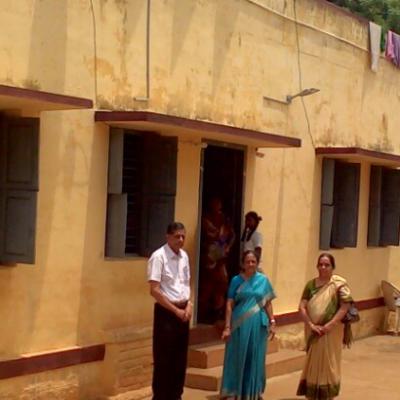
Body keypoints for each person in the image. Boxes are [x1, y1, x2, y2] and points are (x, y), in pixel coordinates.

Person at [220, 250, 276, 400]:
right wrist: (227, 327)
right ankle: (233, 390)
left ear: (257, 263)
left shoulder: (263, 280)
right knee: (237, 356)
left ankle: (253, 391)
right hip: (239, 324)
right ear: (243, 264)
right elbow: (229, 304)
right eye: (247, 262)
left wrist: (272, 321)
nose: (250, 264)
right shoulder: (236, 281)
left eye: (253, 261)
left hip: (258, 325)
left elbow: (268, 303)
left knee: (255, 356)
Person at [297, 253, 353, 400]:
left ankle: (327, 395)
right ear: (317, 266)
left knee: (329, 363)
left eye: (326, 265)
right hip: (313, 331)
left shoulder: (338, 284)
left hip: (331, 332)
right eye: (320, 264)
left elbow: (345, 306)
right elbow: (302, 307)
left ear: (332, 267)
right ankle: (312, 394)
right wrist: (310, 324)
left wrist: (329, 325)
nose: (323, 267)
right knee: (313, 363)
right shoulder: (310, 285)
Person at [148, 222, 192, 400]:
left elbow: (188, 284)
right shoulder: (158, 257)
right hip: (167, 312)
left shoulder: (185, 257)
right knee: (164, 358)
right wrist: (175, 310)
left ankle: (176, 395)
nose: (180, 240)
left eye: (183, 236)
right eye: (177, 236)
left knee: (180, 359)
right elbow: (154, 290)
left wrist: (189, 305)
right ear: (168, 237)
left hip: (183, 311)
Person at [199, 197, 235, 323]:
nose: (218, 207)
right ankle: (204, 315)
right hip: (209, 257)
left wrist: (227, 246)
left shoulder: (224, 219)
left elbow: (231, 235)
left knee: (222, 284)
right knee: (207, 287)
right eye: (215, 204)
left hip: (220, 258)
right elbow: (210, 235)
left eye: (219, 204)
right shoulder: (205, 219)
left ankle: (217, 312)